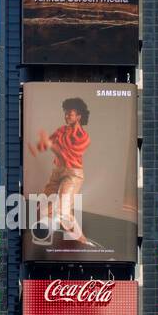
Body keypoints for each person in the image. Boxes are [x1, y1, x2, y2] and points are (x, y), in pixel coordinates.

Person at [29, 96, 92, 246]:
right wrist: (38, 147)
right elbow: (46, 144)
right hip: (57, 172)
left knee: (63, 211)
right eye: (65, 113)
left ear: (78, 116)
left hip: (73, 174)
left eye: (70, 113)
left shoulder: (83, 137)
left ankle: (83, 242)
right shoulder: (61, 130)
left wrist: (50, 144)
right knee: (43, 206)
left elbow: (66, 158)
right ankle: (47, 236)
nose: (66, 116)